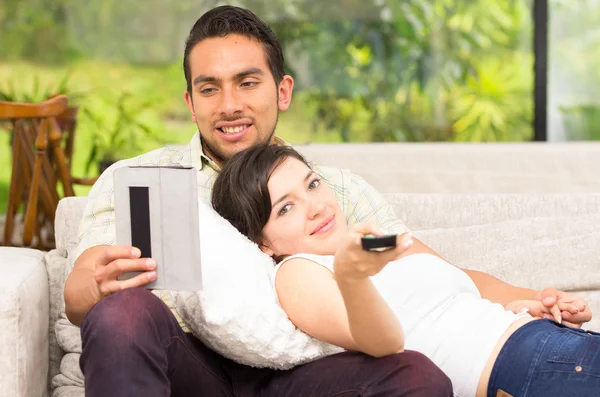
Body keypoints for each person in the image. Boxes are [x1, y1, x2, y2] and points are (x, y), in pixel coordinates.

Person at [64, 5, 454, 397]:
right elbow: (77, 297)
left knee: (419, 377)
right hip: (190, 370)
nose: (229, 105)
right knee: (122, 313)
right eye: (209, 88)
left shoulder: (333, 190)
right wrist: (99, 287)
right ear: (190, 102)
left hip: (306, 375)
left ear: (282, 91)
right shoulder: (137, 179)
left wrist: (513, 299)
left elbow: (428, 268)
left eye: (247, 83)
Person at [211, 143, 598, 397]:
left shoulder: (379, 242)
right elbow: (382, 343)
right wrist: (351, 275)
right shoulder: (298, 272)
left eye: (312, 184)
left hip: (550, 341)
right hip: (521, 369)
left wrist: (533, 300)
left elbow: (466, 281)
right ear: (263, 243)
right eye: (286, 207)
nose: (315, 206)